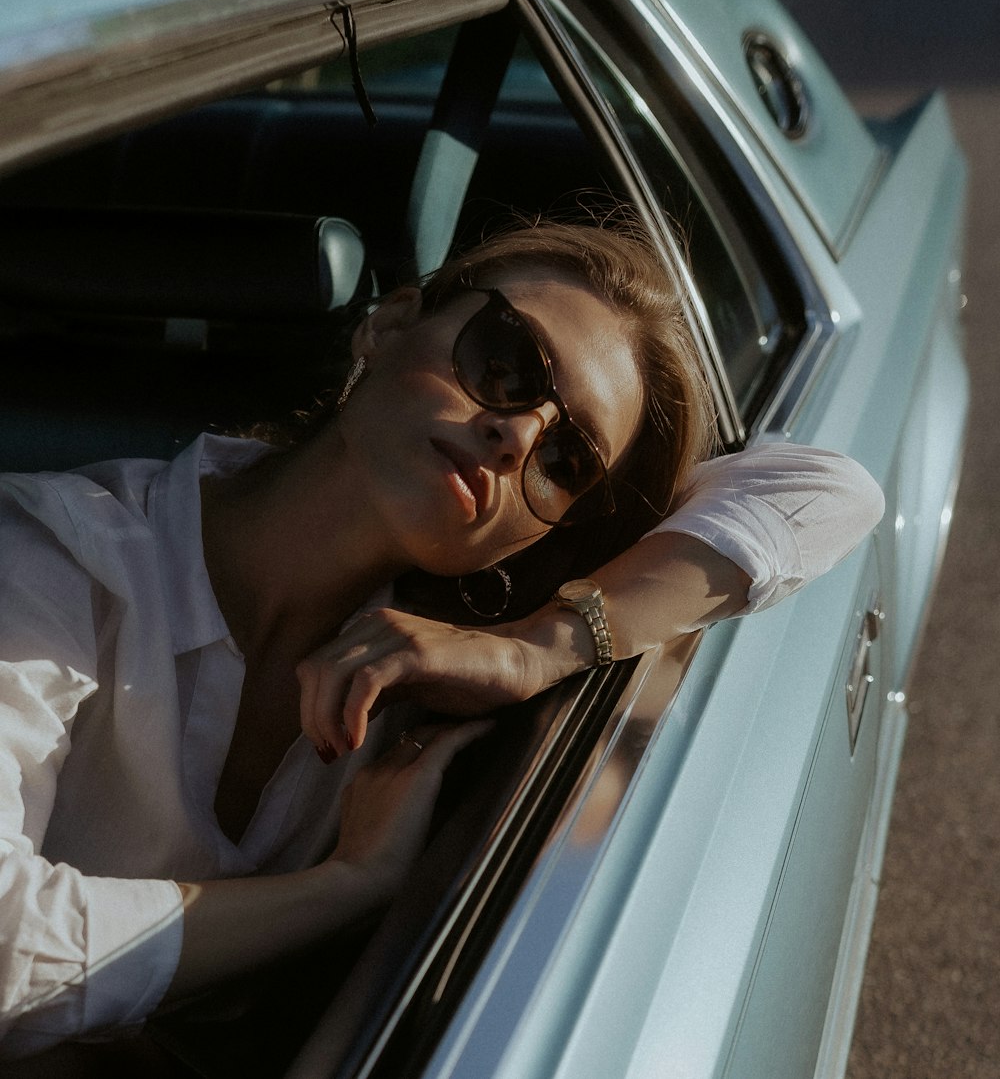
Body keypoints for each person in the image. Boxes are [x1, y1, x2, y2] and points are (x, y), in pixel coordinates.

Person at [0, 221, 882, 1059]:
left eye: (567, 461)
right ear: (386, 328)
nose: (516, 434)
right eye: (506, 365)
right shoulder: (51, 556)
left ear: (544, 531)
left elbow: (829, 490)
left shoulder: (441, 649)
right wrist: (341, 888)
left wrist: (541, 646)